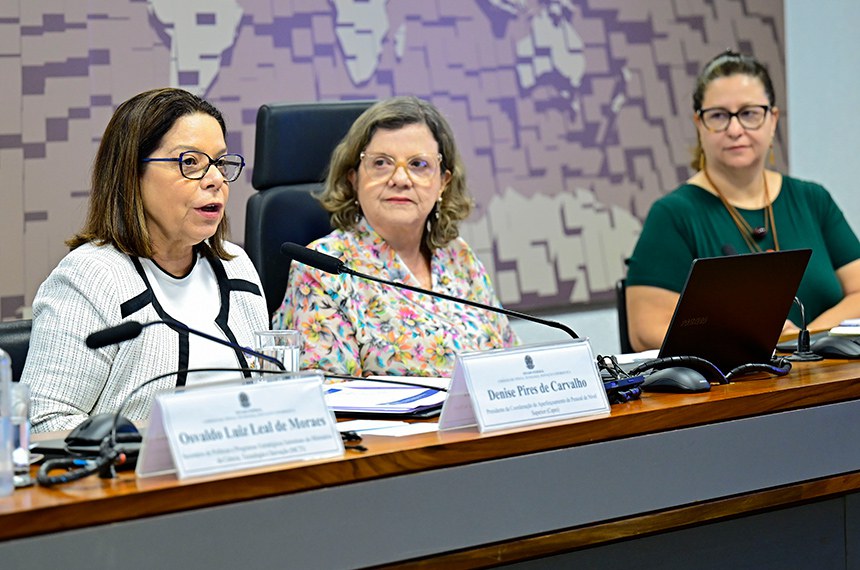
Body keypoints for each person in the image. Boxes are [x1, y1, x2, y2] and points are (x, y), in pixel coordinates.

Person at [22, 88, 269, 433]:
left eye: (219, 163)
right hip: (133, 482)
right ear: (133, 173)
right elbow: (44, 423)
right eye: (190, 163)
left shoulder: (236, 267)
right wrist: (159, 439)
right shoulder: (91, 278)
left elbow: (270, 395)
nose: (215, 180)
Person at [625, 50, 860, 352]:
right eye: (719, 116)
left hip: (826, 382)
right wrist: (758, 340)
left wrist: (802, 338)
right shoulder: (673, 214)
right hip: (734, 389)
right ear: (699, 124)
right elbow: (646, 330)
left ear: (772, 119)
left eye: (749, 113)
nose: (735, 130)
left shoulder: (813, 200)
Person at [274, 96, 518, 376]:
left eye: (418, 165)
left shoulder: (458, 256)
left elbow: (509, 359)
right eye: (381, 163)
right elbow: (327, 393)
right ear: (353, 178)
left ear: (443, 183)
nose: (400, 179)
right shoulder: (322, 269)